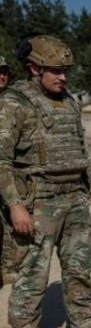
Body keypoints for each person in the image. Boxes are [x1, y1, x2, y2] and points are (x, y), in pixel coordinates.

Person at [0, 35, 91, 328]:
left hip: (75, 199)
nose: (63, 77)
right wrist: (14, 206)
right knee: (33, 278)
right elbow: (2, 161)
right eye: (56, 71)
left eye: (66, 70)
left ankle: (82, 323)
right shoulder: (14, 103)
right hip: (37, 201)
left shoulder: (69, 102)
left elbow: (82, 151)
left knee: (79, 267)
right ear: (34, 68)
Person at [1, 55, 19, 287]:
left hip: (8, 173)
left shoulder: (14, 102)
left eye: (5, 71)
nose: (2, 75)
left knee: (9, 221)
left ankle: (8, 267)